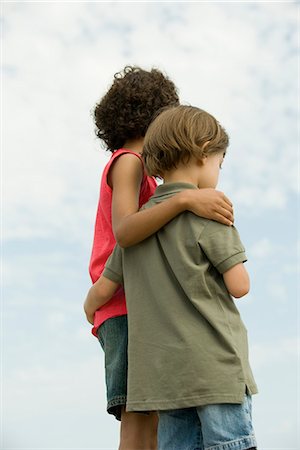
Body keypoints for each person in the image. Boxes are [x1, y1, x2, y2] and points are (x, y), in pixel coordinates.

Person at [85, 105, 258, 450]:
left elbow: (103, 288)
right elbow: (240, 285)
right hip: (216, 369)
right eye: (219, 163)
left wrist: (90, 309)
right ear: (201, 154)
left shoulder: (136, 227)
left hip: (163, 383)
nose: (218, 173)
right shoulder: (210, 212)